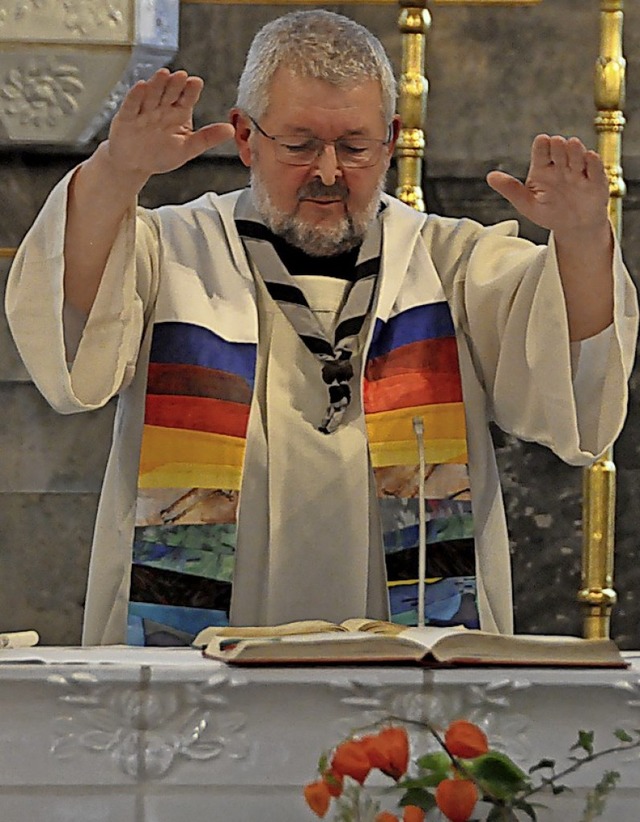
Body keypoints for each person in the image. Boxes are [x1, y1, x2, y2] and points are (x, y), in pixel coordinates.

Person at [5, 10, 637, 646]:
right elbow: (73, 336)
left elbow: (566, 376)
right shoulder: (176, 252)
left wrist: (582, 239)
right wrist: (117, 172)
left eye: (354, 147)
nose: (329, 172)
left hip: (410, 659)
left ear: (391, 140)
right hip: (197, 680)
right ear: (248, 140)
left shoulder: (449, 263)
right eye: (301, 145)